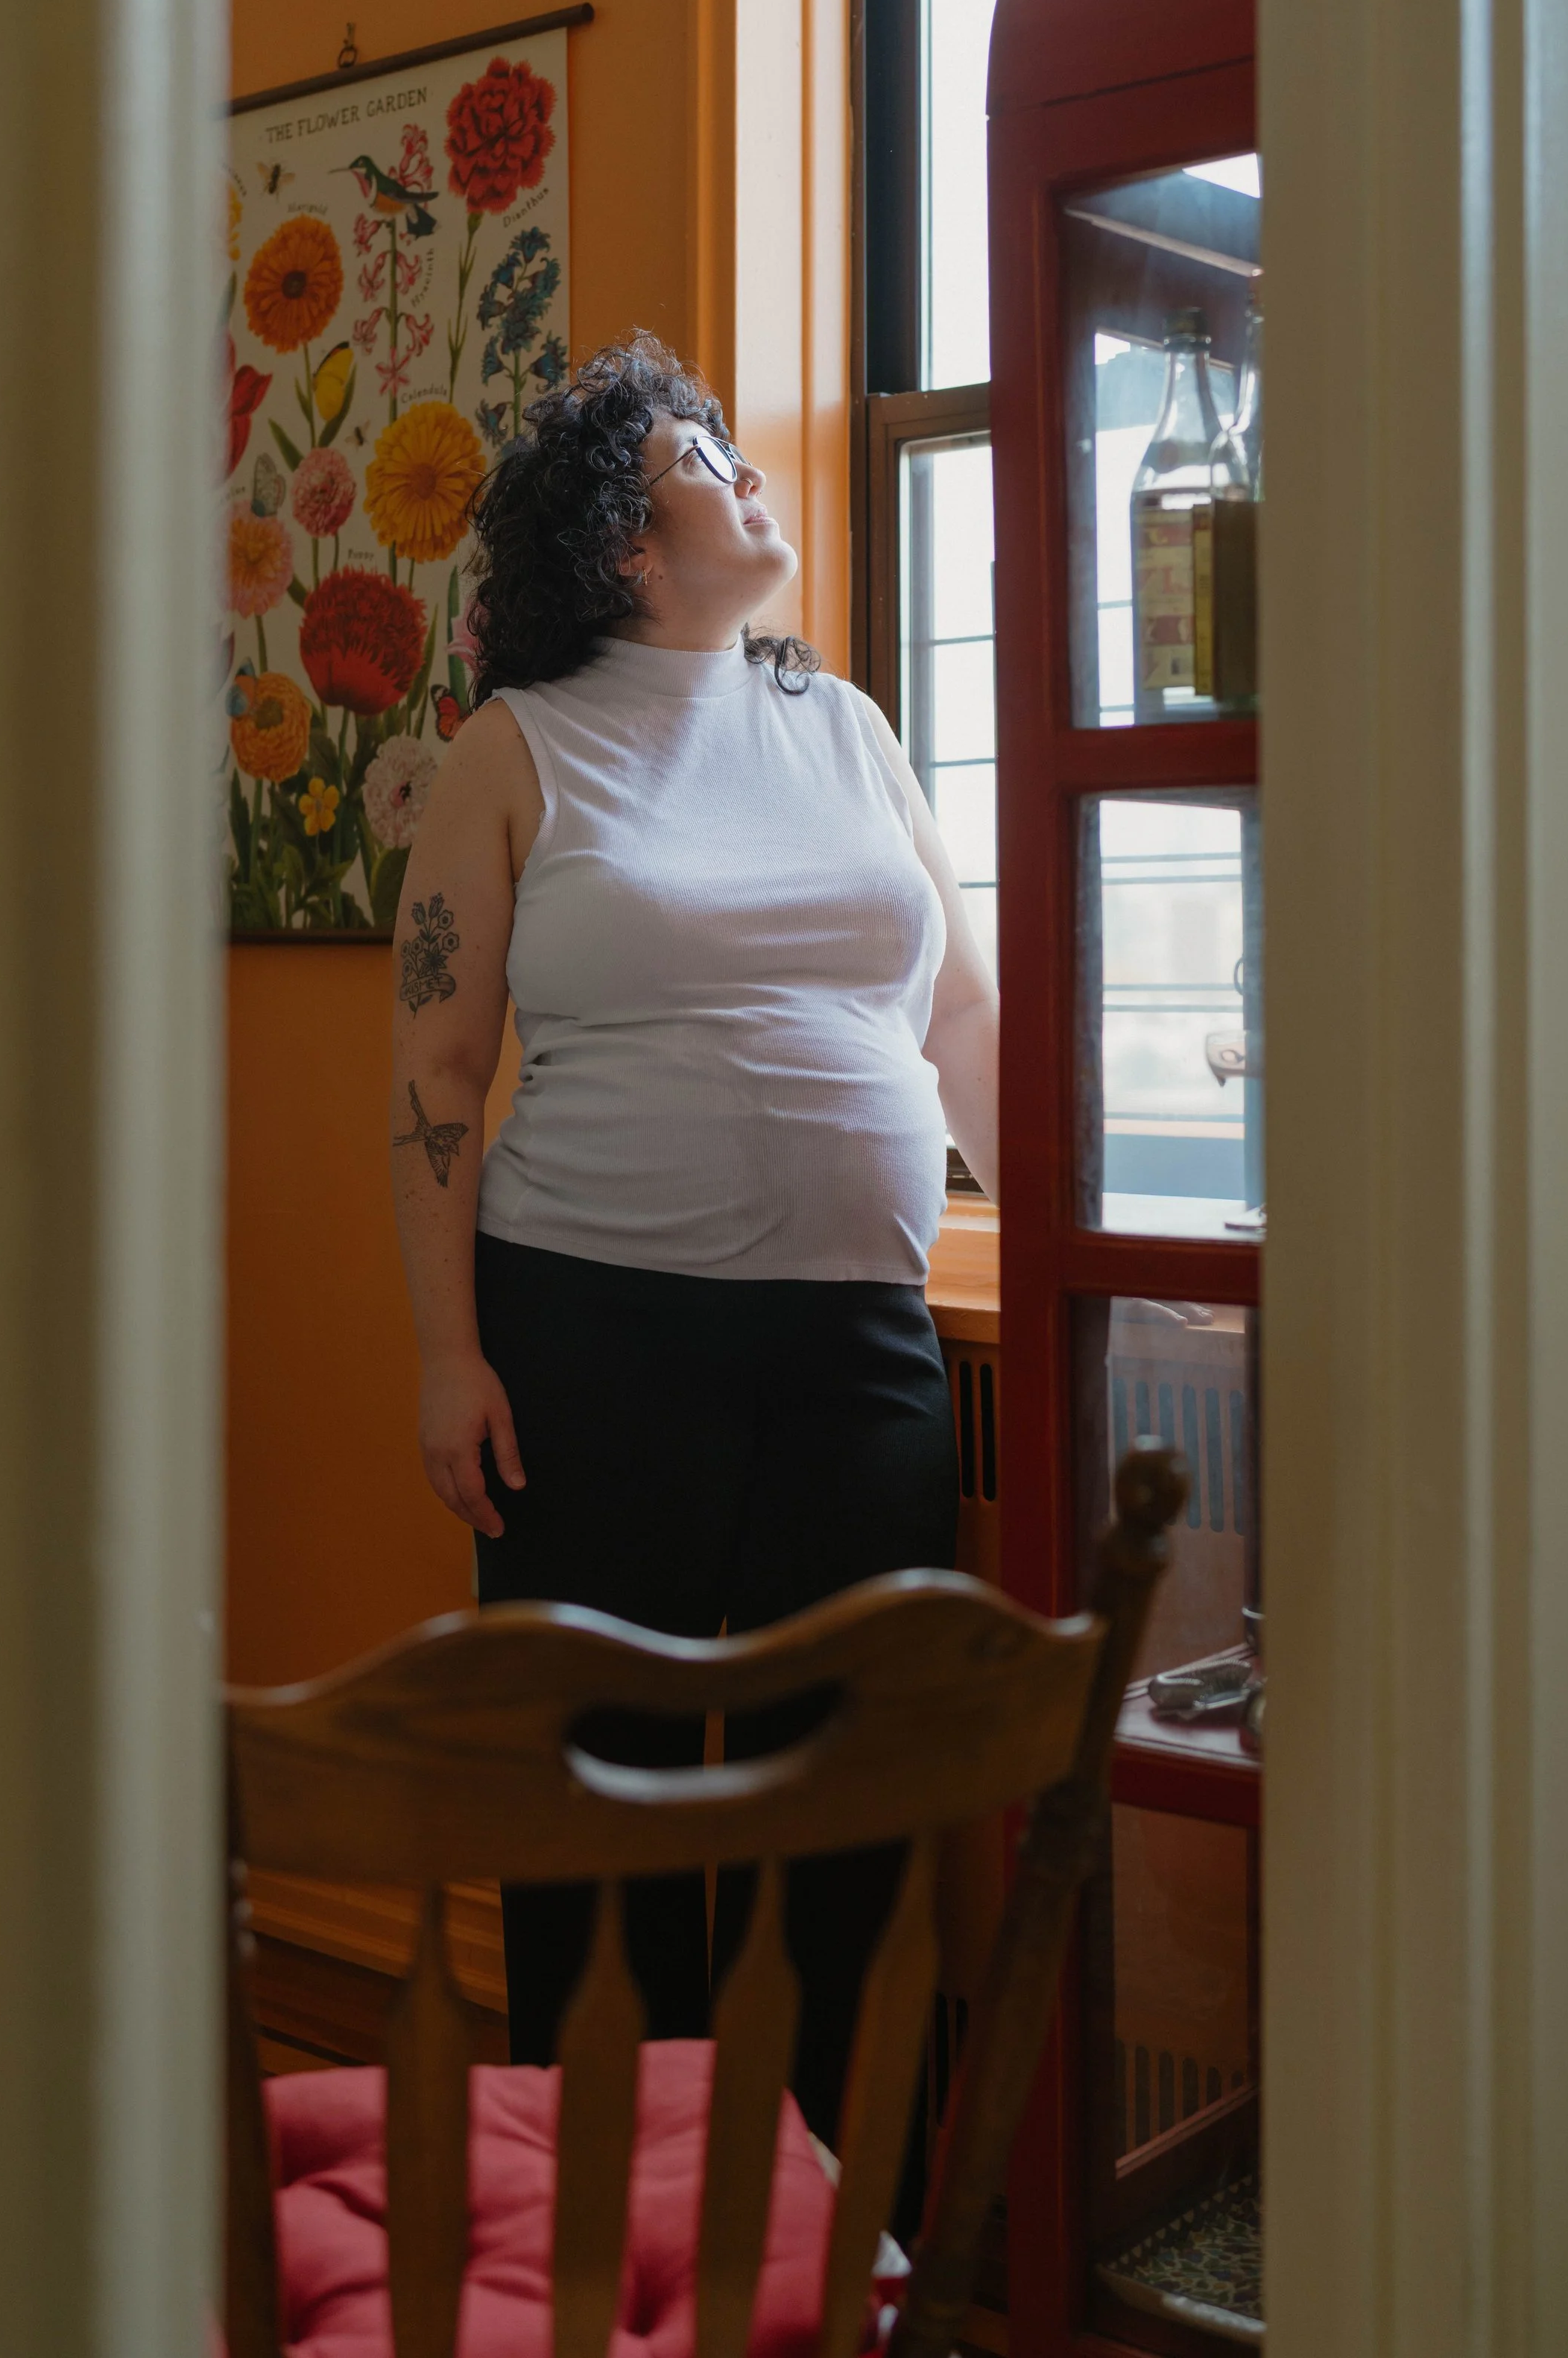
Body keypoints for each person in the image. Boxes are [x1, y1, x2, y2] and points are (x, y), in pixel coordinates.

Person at [388, 332, 998, 2146]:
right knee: (606, 1815)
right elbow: (432, 1065)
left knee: (847, 1802)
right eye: (691, 454)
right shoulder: (511, 753)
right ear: (617, 544)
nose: (742, 468)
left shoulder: (849, 726)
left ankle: (821, 2265)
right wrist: (446, 1350)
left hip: (857, 1346)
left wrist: (1066, 1255)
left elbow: (965, 1022)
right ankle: (601, 2260)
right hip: (588, 1341)